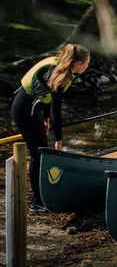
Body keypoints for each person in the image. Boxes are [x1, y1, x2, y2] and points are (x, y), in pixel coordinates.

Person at [11, 44, 91, 212]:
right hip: (25, 111)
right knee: (38, 154)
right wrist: (59, 140)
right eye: (87, 63)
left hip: (34, 109)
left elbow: (45, 95)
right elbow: (57, 111)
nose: (88, 66)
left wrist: (45, 118)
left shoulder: (59, 66)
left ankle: (40, 197)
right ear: (77, 63)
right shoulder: (61, 75)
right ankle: (37, 202)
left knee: (40, 151)